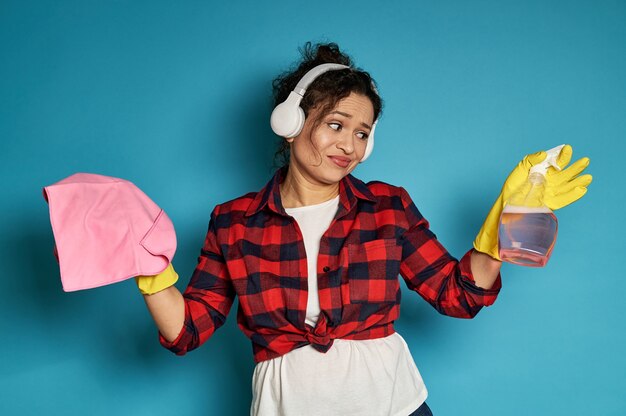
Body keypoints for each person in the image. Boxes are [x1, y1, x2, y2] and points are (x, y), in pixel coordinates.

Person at [135, 42, 592, 416]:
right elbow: (186, 330)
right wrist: (145, 263)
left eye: (362, 132)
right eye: (336, 125)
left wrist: (502, 223)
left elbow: (458, 295)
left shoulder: (387, 208)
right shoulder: (233, 222)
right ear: (290, 124)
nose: (349, 146)